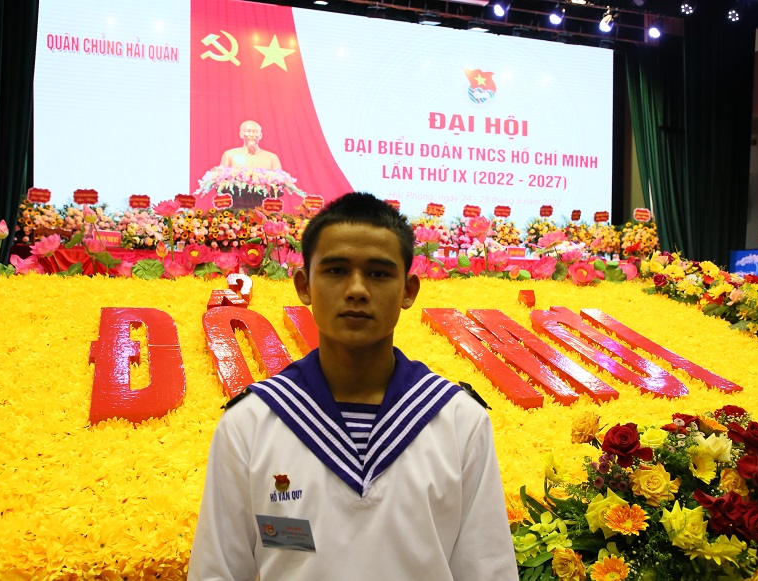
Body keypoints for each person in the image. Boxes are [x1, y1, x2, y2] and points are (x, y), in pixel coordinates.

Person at [188, 192, 518, 581]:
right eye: (336, 270)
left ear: (408, 290)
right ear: (304, 285)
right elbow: (217, 571)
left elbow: (487, 569)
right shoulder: (251, 424)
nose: (357, 289)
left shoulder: (459, 421)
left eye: (378, 273)